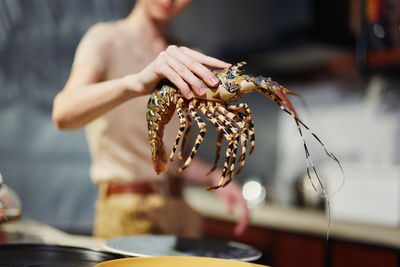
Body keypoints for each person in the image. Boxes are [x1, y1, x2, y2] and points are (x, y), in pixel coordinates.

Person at [52, 0, 249, 239]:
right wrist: (134, 82)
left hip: (179, 210)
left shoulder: (188, 55)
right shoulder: (106, 38)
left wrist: (217, 176)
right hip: (127, 212)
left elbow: (172, 158)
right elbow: (63, 113)